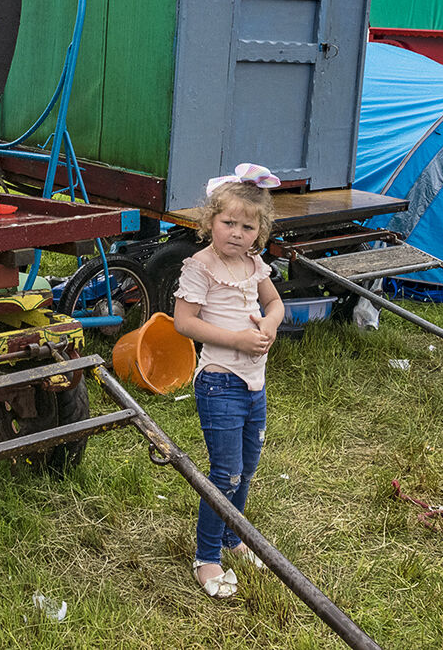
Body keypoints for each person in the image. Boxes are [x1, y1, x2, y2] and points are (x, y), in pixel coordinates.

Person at [170, 163, 286, 599]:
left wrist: (271, 325)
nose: (237, 233)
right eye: (228, 222)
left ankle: (233, 537)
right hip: (220, 382)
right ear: (210, 222)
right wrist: (237, 338)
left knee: (247, 470)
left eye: (247, 226)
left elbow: (275, 304)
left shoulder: (254, 264)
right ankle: (207, 557)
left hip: (255, 384)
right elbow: (184, 322)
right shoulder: (200, 267)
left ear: (260, 231)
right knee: (225, 474)